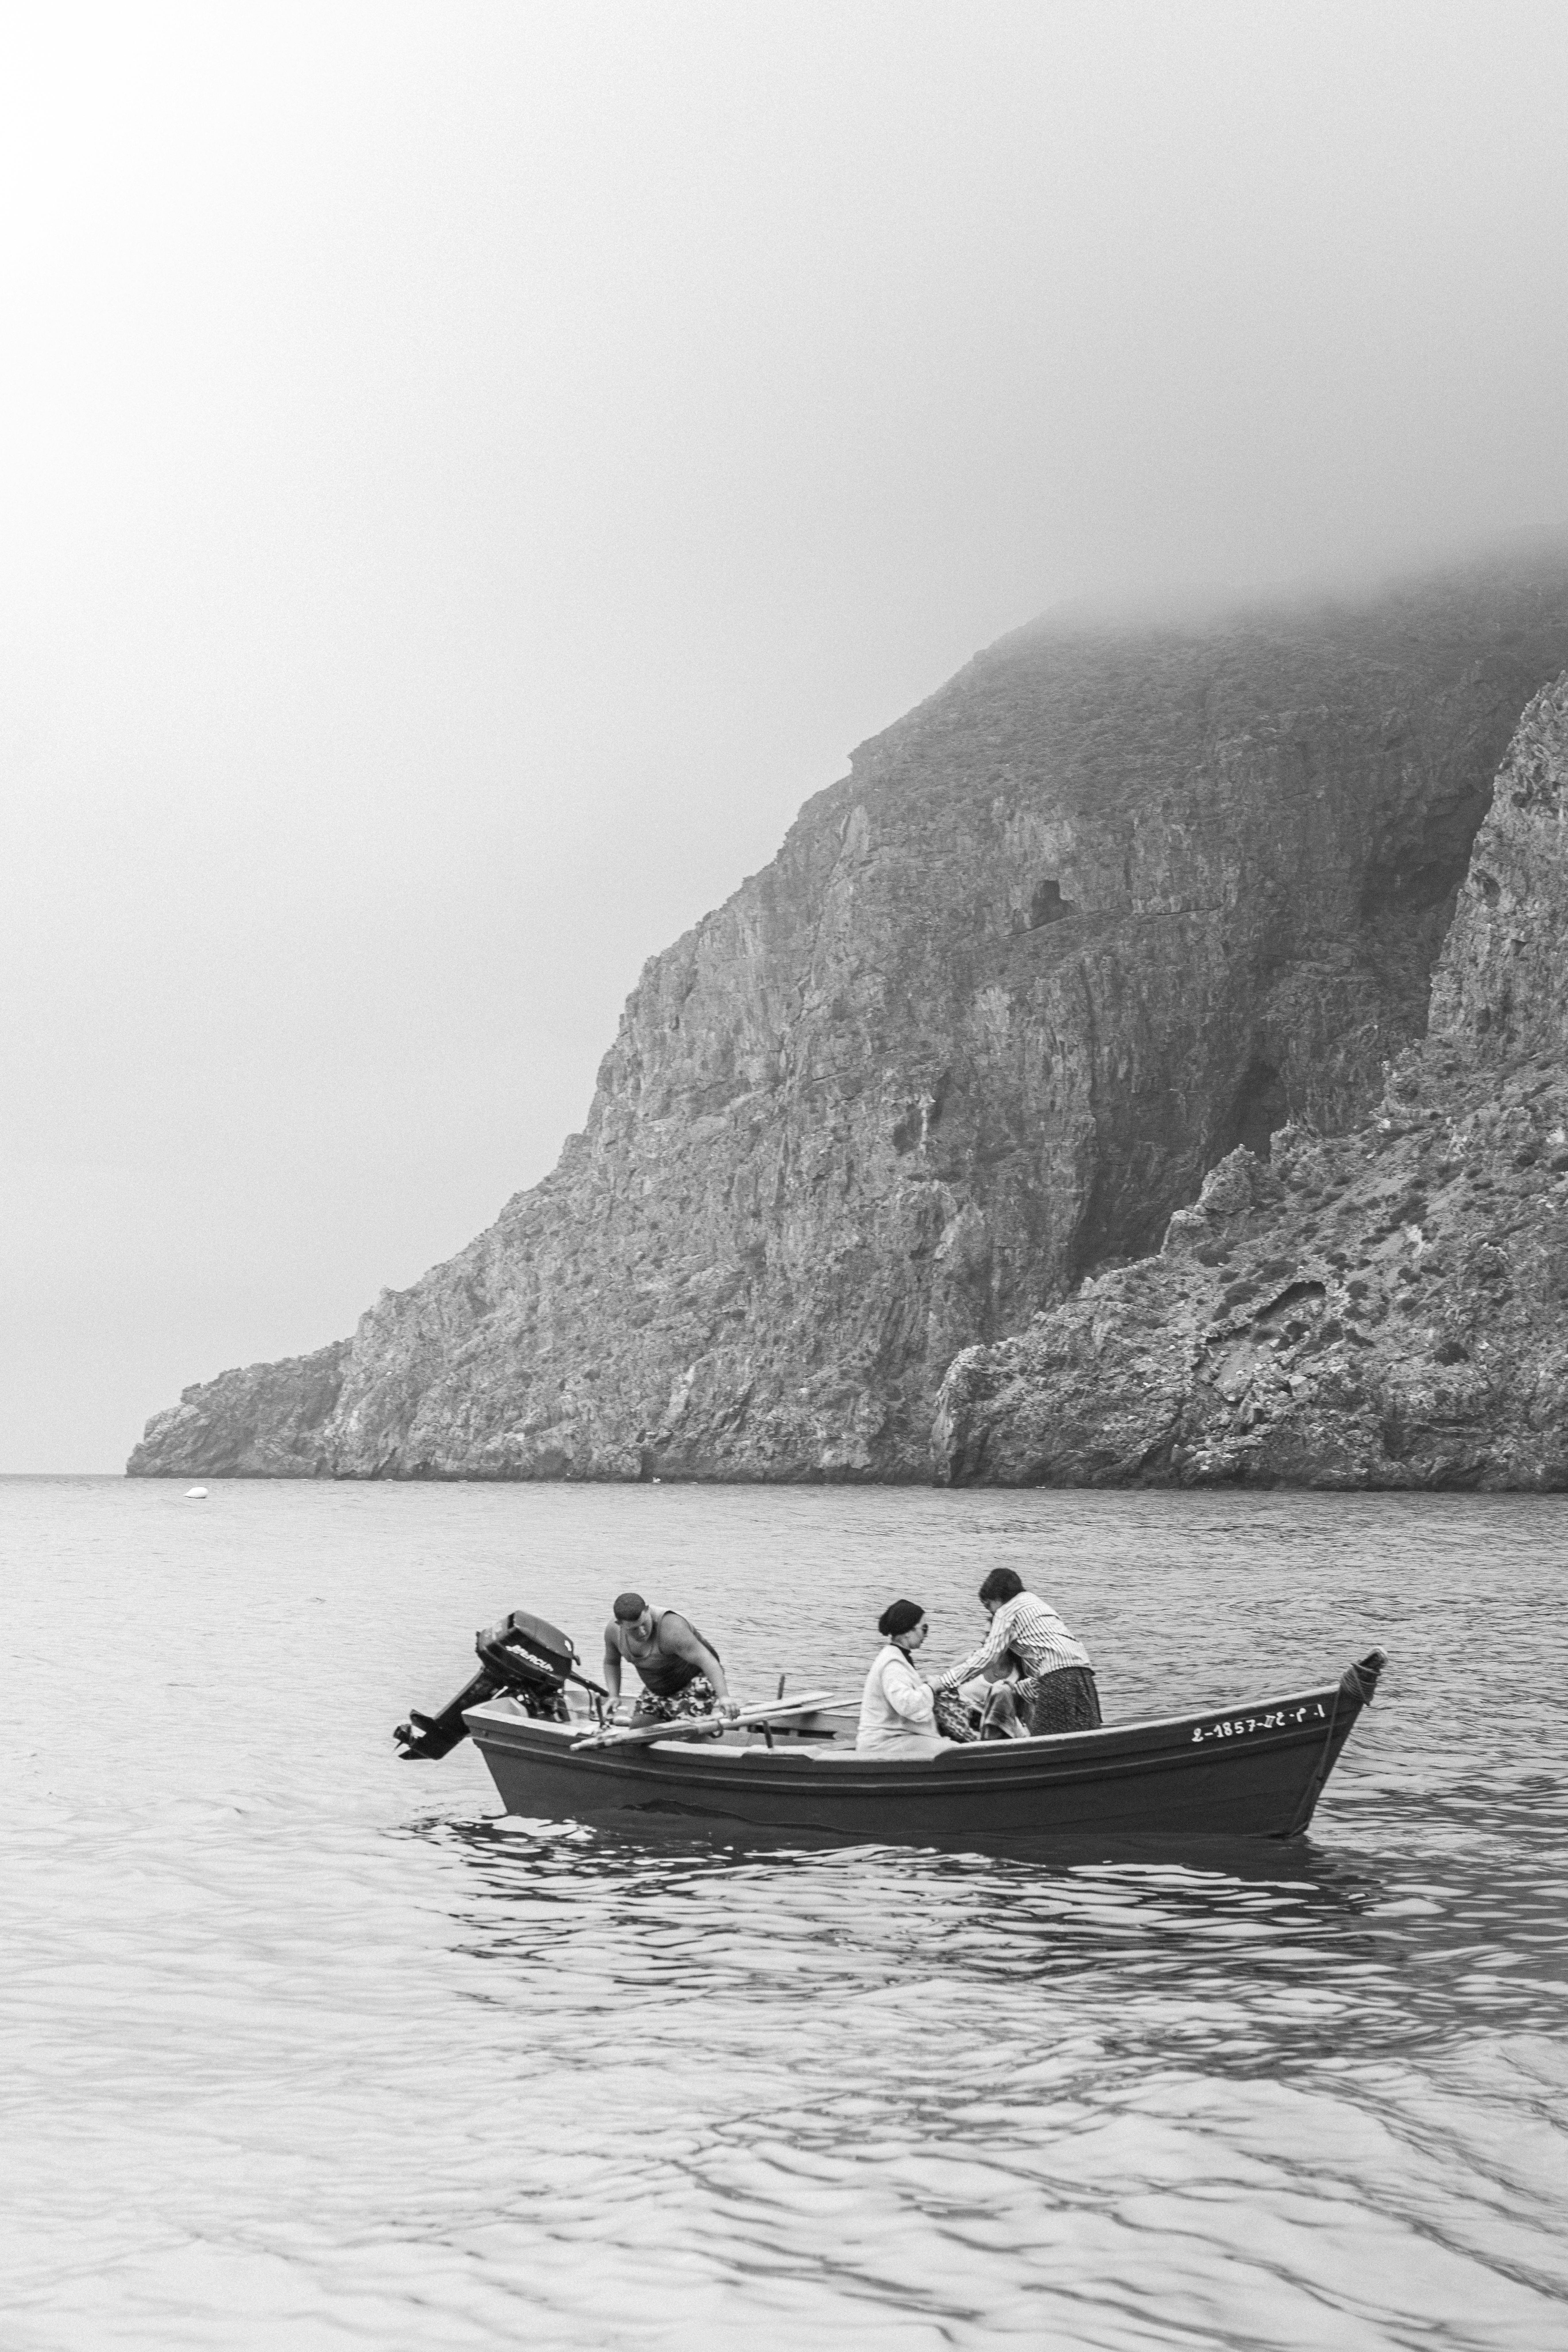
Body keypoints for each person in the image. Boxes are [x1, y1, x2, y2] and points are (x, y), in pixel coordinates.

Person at [931, 1567, 1101, 1738]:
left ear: (997, 1598)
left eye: (988, 1605)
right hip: (1083, 1673)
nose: (990, 1612)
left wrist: (942, 1683)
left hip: (1058, 1677)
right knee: (1085, 1731)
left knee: (1047, 1739)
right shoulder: (1034, 1602)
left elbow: (988, 1656)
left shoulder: (1006, 1611)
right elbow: (1042, 1649)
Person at [601, 1592, 740, 1725]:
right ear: (620, 1624)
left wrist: (724, 1697)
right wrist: (614, 1696)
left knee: (684, 1731)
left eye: (644, 1623)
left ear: (648, 1611)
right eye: (634, 1629)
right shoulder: (613, 1632)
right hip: (660, 1688)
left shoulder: (672, 1628)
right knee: (639, 1731)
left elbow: (707, 1660)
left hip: (696, 1680)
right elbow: (612, 1662)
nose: (642, 1632)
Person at [856, 1600, 954, 1758]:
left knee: (952, 1747)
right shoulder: (892, 1664)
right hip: (883, 1744)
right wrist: (931, 1688)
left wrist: (926, 1686)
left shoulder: (898, 1656)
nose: (926, 1635)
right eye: (924, 1629)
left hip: (897, 1738)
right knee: (953, 1752)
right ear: (909, 1631)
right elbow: (907, 1705)